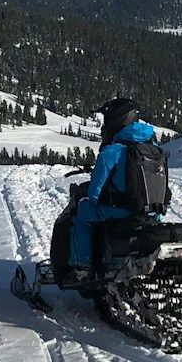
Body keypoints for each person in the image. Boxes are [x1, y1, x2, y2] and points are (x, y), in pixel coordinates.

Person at [68, 96, 161, 278]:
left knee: (80, 215)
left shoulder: (112, 150)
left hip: (121, 211)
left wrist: (96, 197)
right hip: (151, 213)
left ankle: (82, 267)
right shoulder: (154, 148)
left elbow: (95, 193)